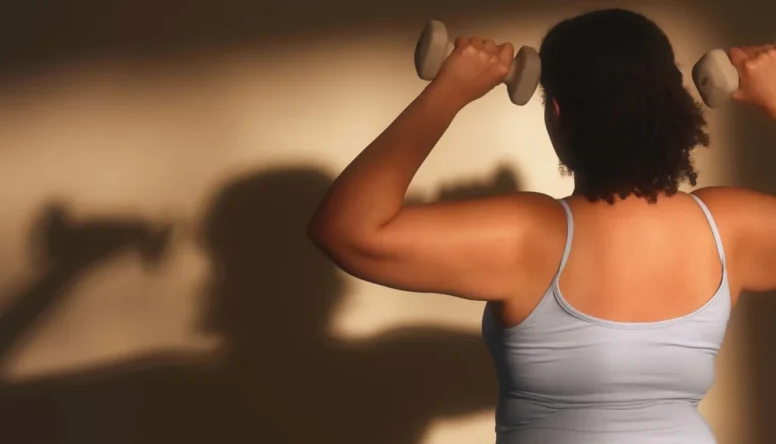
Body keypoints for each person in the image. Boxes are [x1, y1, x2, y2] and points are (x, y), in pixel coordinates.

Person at [308, 7, 776, 444]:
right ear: (673, 106)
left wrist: (450, 90)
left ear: (558, 116)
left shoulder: (529, 233)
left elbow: (346, 229)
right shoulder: (729, 229)